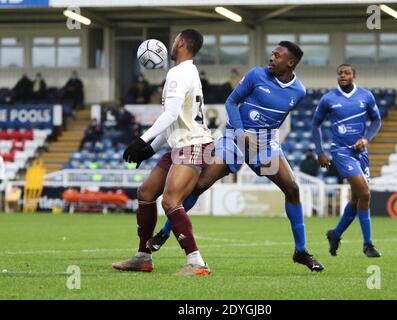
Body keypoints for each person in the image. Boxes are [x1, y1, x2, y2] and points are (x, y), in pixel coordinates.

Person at [149, 41, 325, 272]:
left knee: (292, 188)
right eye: (272, 53)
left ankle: (301, 251)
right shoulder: (256, 75)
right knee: (200, 185)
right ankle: (164, 232)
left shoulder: (299, 91)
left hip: (263, 144)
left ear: (290, 62)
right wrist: (242, 134)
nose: (271, 58)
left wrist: (266, 139)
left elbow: (278, 118)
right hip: (234, 137)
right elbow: (231, 102)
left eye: (277, 56)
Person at [112, 29, 213, 276]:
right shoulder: (188, 72)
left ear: (181, 43)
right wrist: (149, 149)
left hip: (193, 144)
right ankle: (143, 257)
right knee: (146, 192)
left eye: (175, 39)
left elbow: (169, 114)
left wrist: (142, 140)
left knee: (170, 201)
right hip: (181, 144)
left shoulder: (178, 72)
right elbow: (175, 120)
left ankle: (197, 262)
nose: (172, 43)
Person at [312, 64, 382, 258]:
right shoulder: (328, 99)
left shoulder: (366, 96)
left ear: (354, 76)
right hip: (341, 152)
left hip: (361, 152)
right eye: (340, 73)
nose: (342, 76)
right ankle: (368, 245)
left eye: (346, 73)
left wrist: (366, 138)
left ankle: (335, 234)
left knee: (356, 197)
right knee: (365, 193)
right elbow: (315, 124)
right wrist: (320, 152)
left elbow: (377, 120)